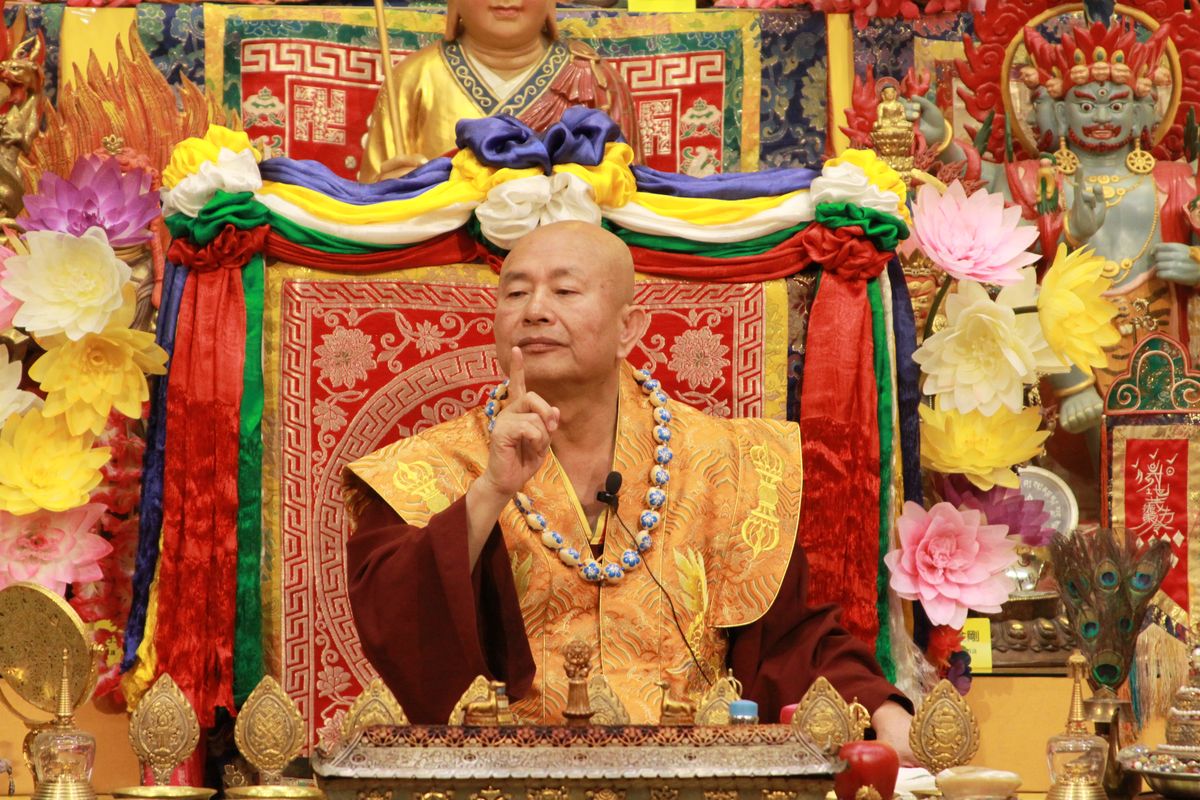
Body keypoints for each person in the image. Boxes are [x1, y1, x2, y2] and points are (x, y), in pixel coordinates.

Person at [343, 222, 914, 758]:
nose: (535, 310)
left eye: (565, 291)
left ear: (628, 329)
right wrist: (490, 491)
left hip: (690, 774)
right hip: (500, 776)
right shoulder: (428, 468)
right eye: (515, 293)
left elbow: (788, 640)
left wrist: (879, 706)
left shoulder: (728, 460)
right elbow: (397, 628)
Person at [359, 0, 638, 182]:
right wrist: (393, 187)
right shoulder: (413, 76)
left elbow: (633, 190)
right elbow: (370, 196)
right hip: (441, 242)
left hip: (565, 245)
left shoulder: (594, 79)